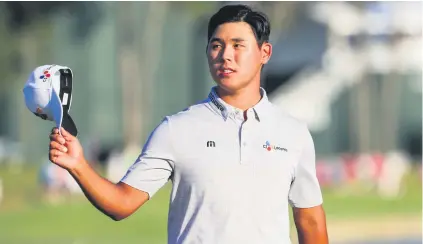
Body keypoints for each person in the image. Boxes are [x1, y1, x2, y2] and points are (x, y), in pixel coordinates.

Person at [49, 4, 328, 244]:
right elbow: (122, 204)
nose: (225, 55)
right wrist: (79, 166)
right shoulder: (176, 129)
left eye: (238, 45)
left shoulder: (293, 134)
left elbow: (311, 224)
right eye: (216, 45)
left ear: (264, 52)